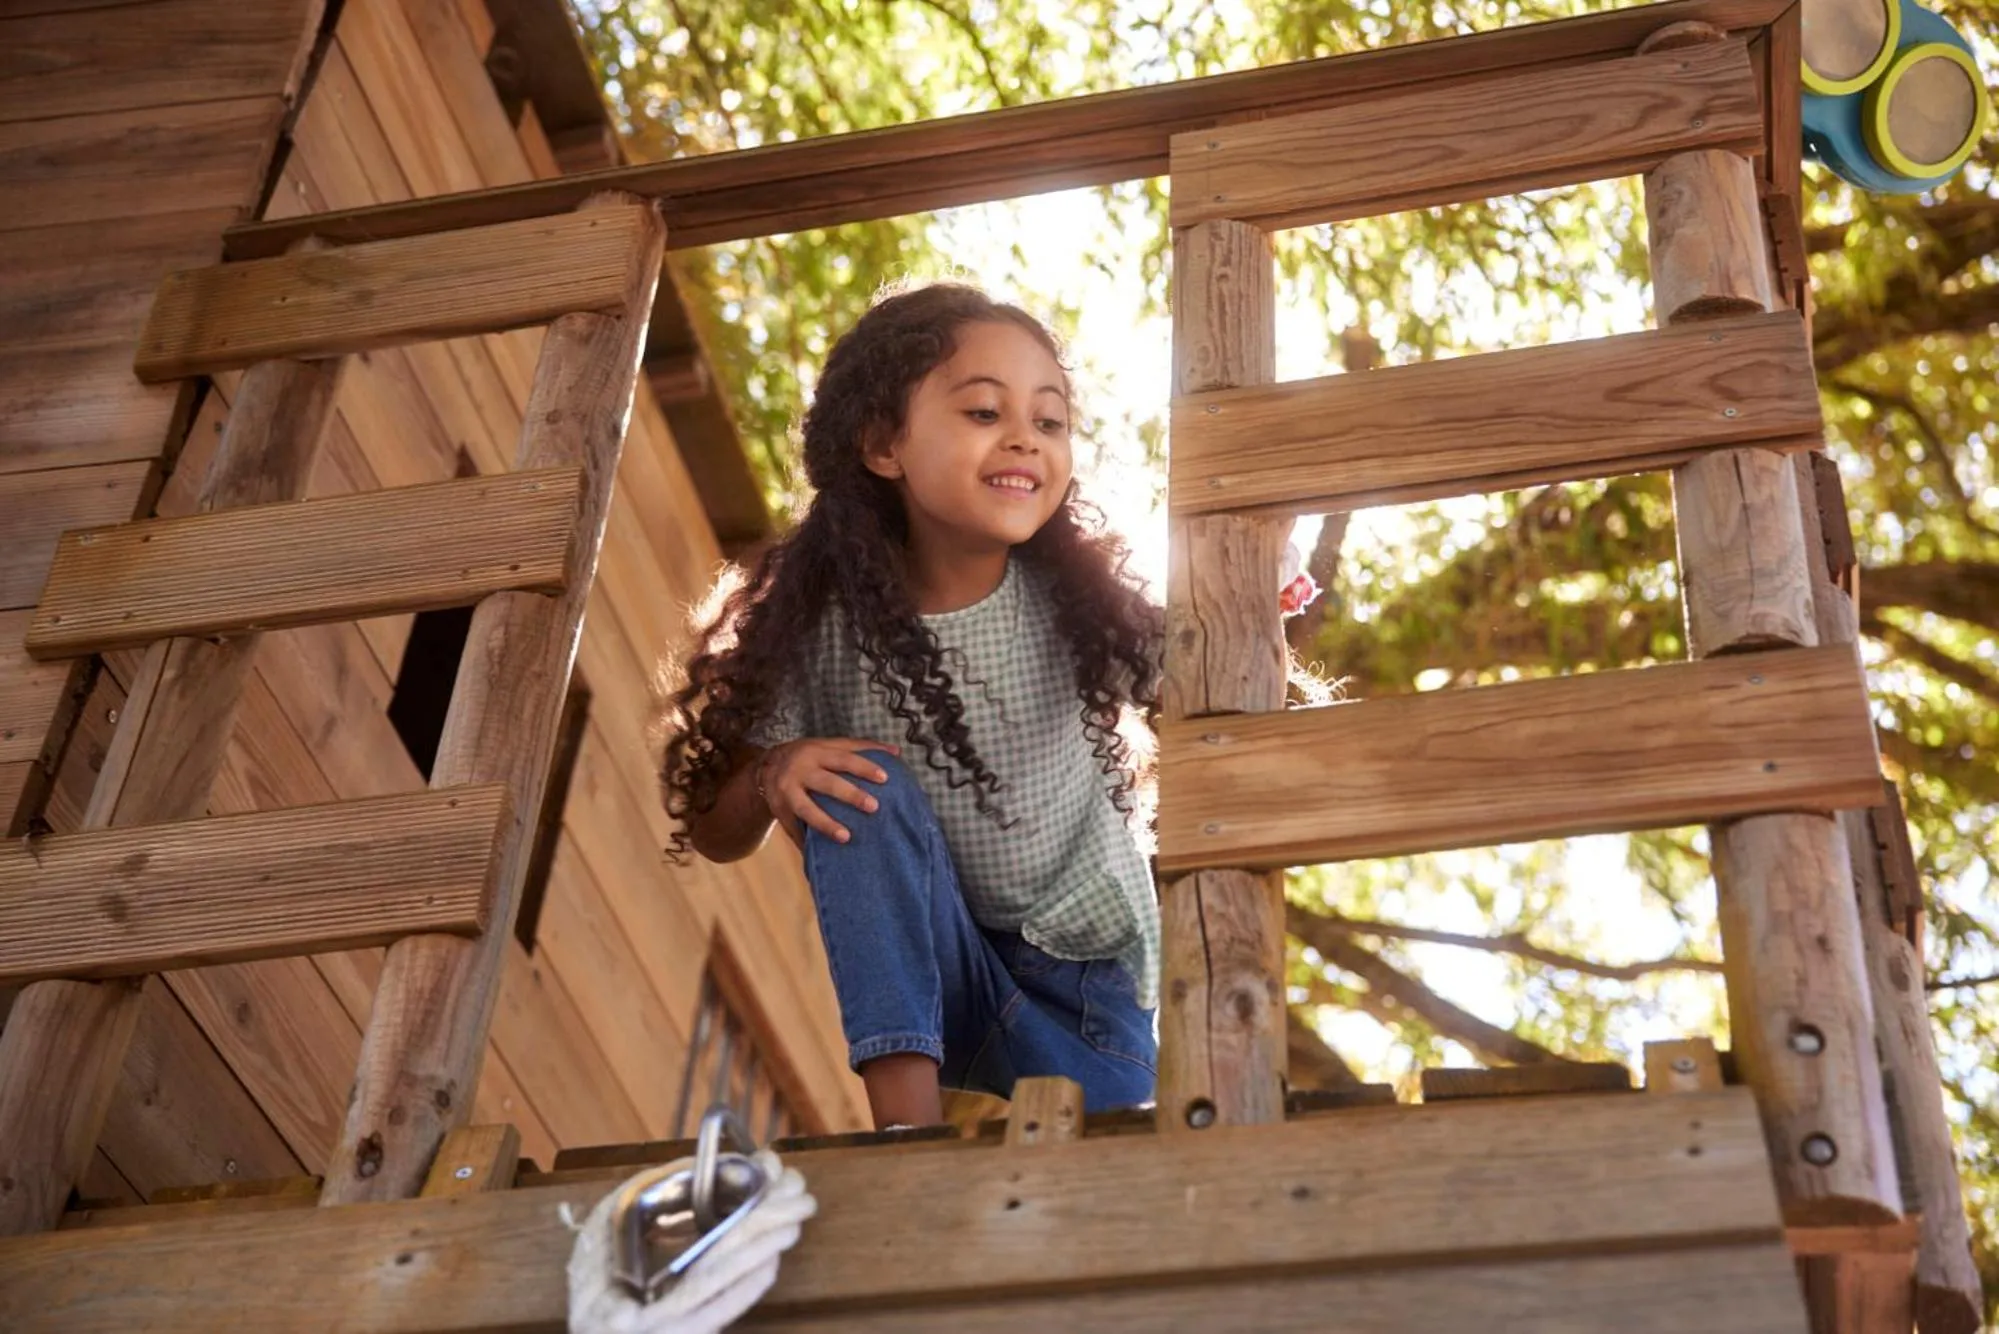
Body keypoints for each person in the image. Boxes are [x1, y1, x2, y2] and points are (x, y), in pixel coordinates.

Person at [660, 282, 1164, 1129]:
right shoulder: (817, 629)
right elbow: (716, 829)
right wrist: (773, 774)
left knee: (1102, 1205)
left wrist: (1253, 600)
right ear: (882, 444)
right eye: (982, 413)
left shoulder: (1082, 606)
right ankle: (904, 1134)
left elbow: (1211, 669)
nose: (1023, 441)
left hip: (1085, 1004)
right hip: (930, 983)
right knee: (855, 782)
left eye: (1048, 422)